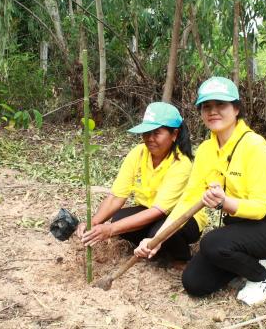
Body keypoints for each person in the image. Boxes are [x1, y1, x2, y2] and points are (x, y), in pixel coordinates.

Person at [134, 77, 266, 305]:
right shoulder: (207, 150)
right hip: (238, 227)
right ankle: (249, 259)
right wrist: (157, 238)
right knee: (195, 283)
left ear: (236, 109)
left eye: (221, 105)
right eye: (207, 106)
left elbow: (260, 208)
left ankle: (260, 277)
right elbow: (189, 199)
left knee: (212, 243)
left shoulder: (255, 146)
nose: (213, 112)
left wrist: (224, 202)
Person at [76, 102, 207, 263]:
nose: (149, 139)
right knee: (119, 218)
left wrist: (110, 230)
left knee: (158, 233)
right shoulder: (137, 153)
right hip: (150, 211)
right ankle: (154, 246)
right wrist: (94, 223)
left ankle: (180, 257)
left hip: (181, 218)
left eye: (156, 133)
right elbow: (116, 197)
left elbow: (158, 211)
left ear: (174, 134)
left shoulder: (182, 163)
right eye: (146, 132)